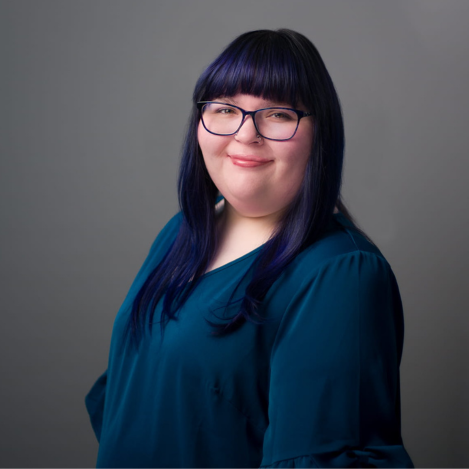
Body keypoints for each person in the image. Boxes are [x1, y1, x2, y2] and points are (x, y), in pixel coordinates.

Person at [85, 29, 414, 468]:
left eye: (277, 114)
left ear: (320, 133)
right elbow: (134, 401)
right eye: (225, 108)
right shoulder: (183, 232)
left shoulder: (340, 275)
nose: (246, 134)